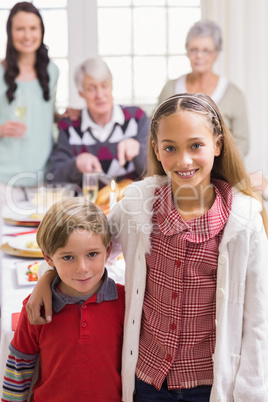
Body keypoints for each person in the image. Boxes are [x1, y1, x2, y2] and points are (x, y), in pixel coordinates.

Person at [26, 93, 268, 401]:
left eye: (196, 145)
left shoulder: (244, 221)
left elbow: (258, 321)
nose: (183, 160)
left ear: (217, 145)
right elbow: (88, 245)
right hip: (147, 380)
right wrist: (47, 277)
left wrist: (252, 394)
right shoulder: (138, 207)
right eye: (170, 148)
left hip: (210, 385)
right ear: (155, 149)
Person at [2, 198, 125, 402]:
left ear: (108, 250)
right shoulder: (36, 306)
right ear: (49, 258)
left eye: (92, 254)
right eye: (68, 257)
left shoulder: (124, 303)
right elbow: (19, 366)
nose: (82, 268)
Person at [46, 57, 150, 187]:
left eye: (104, 86)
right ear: (81, 93)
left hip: (133, 202)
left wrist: (139, 151)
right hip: (87, 205)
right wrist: (76, 164)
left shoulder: (137, 118)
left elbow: (157, 173)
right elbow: (53, 178)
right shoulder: (69, 127)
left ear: (112, 86)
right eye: (91, 89)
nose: (100, 94)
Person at [158, 20, 249, 160]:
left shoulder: (233, 94)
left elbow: (242, 143)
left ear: (216, 54)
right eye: (194, 50)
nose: (199, 56)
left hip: (221, 172)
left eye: (206, 50)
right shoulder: (170, 89)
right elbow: (155, 131)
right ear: (187, 51)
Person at [0, 2, 59, 201]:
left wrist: (65, 116)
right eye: (20, 29)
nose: (27, 36)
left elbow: (45, 113)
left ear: (41, 30)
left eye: (33, 28)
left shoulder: (52, 71)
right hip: (4, 182)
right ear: (10, 32)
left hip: (43, 180)